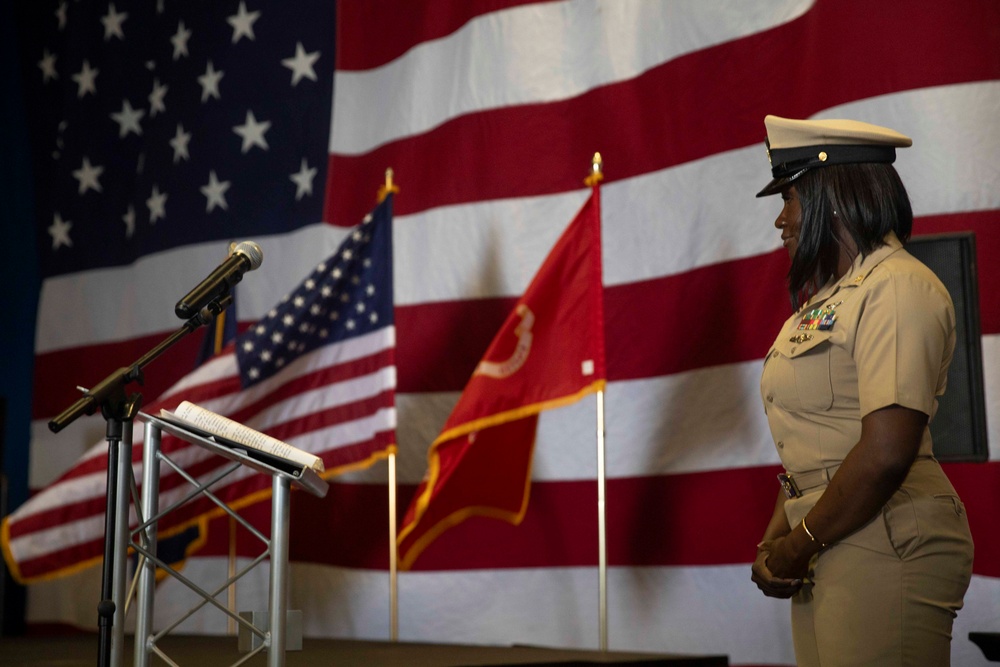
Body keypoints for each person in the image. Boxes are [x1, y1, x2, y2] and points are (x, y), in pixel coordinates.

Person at [750, 115, 974, 666]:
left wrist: (798, 544)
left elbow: (884, 453)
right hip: (830, 532)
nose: (782, 220)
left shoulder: (897, 286)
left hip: (886, 534)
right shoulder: (829, 300)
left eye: (793, 197)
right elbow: (819, 444)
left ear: (832, 195)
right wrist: (774, 542)